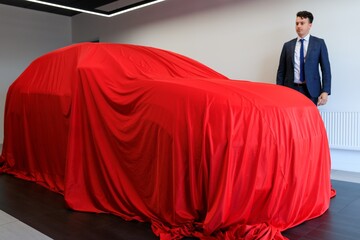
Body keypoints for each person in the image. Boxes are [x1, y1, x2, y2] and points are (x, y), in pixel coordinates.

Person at [276, 11, 331, 106]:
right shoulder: (287, 45)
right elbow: (281, 71)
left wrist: (325, 91)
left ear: (310, 25)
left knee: (309, 119)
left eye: (302, 23)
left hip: (311, 91)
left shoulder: (319, 43)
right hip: (290, 90)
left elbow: (326, 69)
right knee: (292, 118)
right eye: (297, 23)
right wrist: (279, 90)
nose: (298, 26)